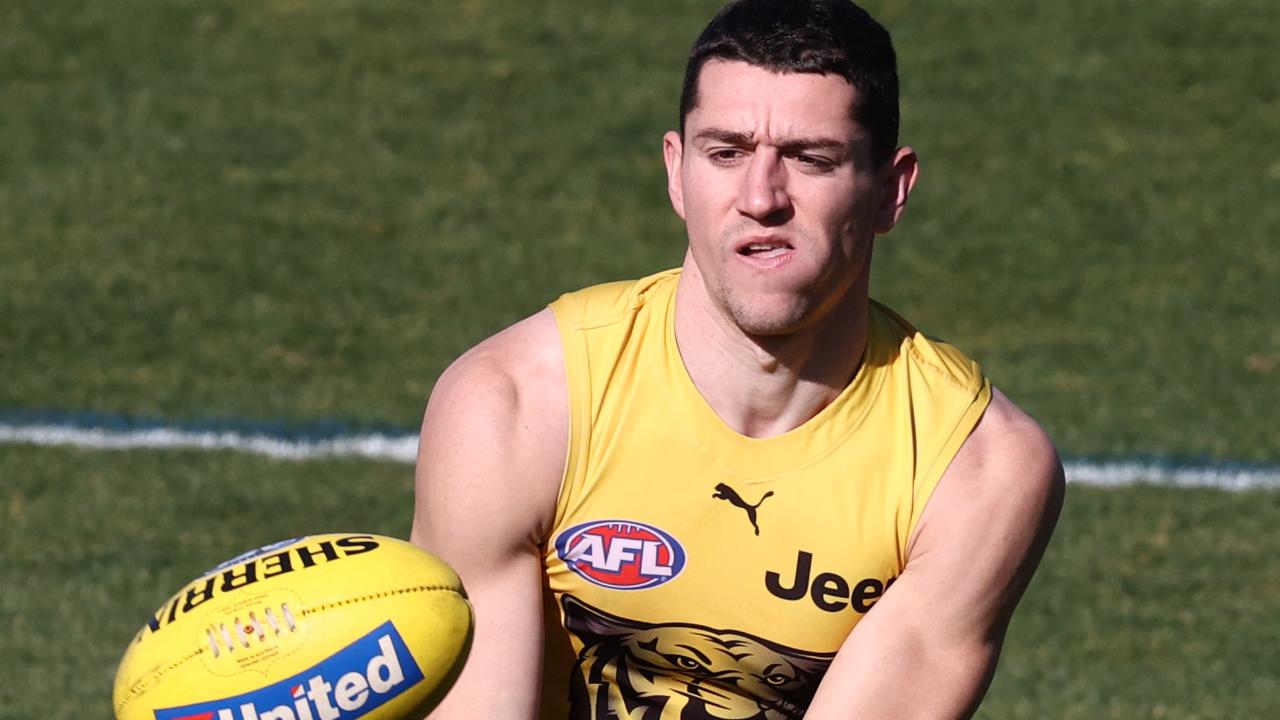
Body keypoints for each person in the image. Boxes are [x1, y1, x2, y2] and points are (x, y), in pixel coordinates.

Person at [411, 1, 1065, 717]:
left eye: (811, 159)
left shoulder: (973, 471)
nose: (760, 198)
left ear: (889, 190)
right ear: (676, 171)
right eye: (726, 153)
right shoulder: (515, 405)